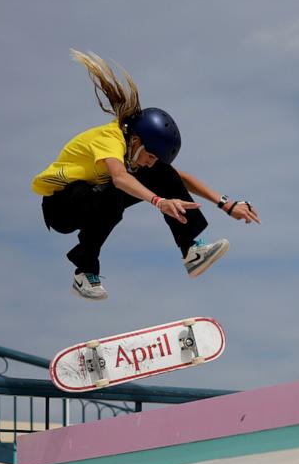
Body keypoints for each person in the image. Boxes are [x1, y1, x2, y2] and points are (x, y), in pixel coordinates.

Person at [32, 50, 261, 301]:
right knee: (115, 197)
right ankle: (84, 271)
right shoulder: (111, 139)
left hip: (90, 197)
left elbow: (179, 178)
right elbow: (119, 178)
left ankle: (190, 251)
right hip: (61, 205)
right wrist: (160, 202)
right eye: (149, 156)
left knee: (163, 175)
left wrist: (225, 204)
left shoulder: (134, 150)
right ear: (137, 141)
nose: (148, 163)